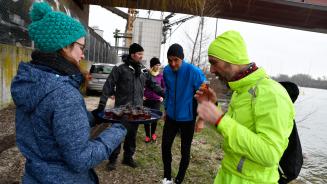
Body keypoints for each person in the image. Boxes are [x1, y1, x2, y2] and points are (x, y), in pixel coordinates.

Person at [10, 2, 127, 184]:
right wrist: (119, 129)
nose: (82, 55)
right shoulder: (63, 93)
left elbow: (49, 127)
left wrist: (94, 117)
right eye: (81, 47)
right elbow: (81, 159)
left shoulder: (31, 82)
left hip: (34, 177)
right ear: (65, 46)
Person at [195, 30, 295, 183]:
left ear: (232, 59)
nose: (212, 70)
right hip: (227, 176)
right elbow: (232, 132)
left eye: (214, 62)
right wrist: (214, 107)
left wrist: (220, 119)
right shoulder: (240, 90)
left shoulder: (272, 93)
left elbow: (270, 153)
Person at [94, 43, 165, 171]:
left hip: (137, 110)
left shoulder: (143, 71)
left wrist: (166, 94)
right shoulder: (120, 68)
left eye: (142, 54)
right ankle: (113, 159)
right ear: (132, 54)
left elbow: (153, 85)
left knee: (132, 135)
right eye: (139, 54)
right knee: (116, 134)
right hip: (121, 110)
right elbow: (108, 85)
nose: (141, 57)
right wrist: (102, 104)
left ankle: (128, 157)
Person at [161, 43, 206, 184]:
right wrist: (166, 109)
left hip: (188, 117)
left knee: (185, 150)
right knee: (165, 146)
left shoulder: (193, 72)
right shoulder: (167, 71)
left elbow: (205, 94)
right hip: (172, 117)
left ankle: (179, 180)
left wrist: (201, 120)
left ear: (182, 58)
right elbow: (168, 91)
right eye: (170, 60)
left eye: (176, 60)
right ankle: (167, 177)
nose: (173, 63)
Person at [143, 57, 165, 143]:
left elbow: (164, 87)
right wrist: (142, 95)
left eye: (159, 65)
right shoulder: (146, 75)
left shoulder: (161, 76)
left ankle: (153, 134)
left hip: (156, 101)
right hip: (147, 100)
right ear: (152, 65)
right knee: (146, 118)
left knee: (155, 118)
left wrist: (162, 96)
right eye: (157, 65)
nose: (158, 66)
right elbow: (141, 86)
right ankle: (147, 135)